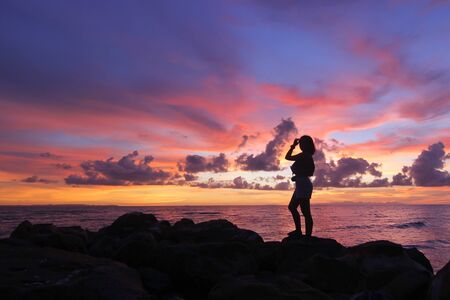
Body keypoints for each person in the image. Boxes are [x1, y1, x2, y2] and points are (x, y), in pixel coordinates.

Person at [285, 135, 315, 237]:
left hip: (303, 185)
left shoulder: (305, 155)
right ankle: (299, 231)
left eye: (303, 143)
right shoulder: (305, 155)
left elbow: (311, 171)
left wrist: (293, 146)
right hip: (301, 184)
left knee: (305, 212)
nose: (301, 145)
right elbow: (309, 171)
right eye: (300, 143)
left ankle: (307, 236)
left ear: (307, 145)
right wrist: (297, 176)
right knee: (292, 207)